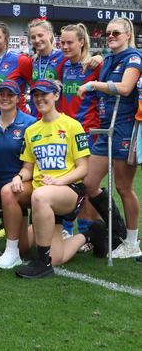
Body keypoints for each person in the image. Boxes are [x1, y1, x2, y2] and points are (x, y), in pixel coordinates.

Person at [3, 80, 106, 278]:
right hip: (42, 193)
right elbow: (27, 168)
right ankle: (91, 234)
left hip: (68, 190)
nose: (40, 99)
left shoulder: (72, 125)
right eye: (36, 95)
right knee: (10, 190)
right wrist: (18, 177)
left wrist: (61, 181)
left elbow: (84, 168)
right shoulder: (32, 130)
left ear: (56, 96)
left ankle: (43, 263)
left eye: (45, 94)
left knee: (41, 196)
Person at [78, 18, 142, 258]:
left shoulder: (133, 57)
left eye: (116, 32)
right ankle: (117, 229)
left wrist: (94, 84)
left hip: (124, 128)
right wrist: (98, 59)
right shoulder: (108, 58)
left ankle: (132, 241)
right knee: (89, 183)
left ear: (128, 34)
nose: (111, 36)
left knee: (124, 187)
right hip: (106, 129)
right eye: (108, 33)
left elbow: (125, 88)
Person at [57, 23, 102, 242]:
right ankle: (67, 227)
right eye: (62, 42)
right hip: (65, 133)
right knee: (66, 179)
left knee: (85, 183)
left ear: (82, 42)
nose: (65, 46)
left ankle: (87, 230)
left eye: (69, 42)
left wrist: (101, 57)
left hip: (87, 131)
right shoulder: (63, 65)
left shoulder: (94, 66)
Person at [0, 80, 36, 268]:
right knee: (24, 246)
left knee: (20, 247)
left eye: (10, 94)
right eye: (1, 94)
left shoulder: (30, 123)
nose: (5, 98)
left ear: (18, 98)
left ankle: (11, 251)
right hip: (0, 184)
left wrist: (21, 177)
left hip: (22, 183)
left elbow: (32, 162)